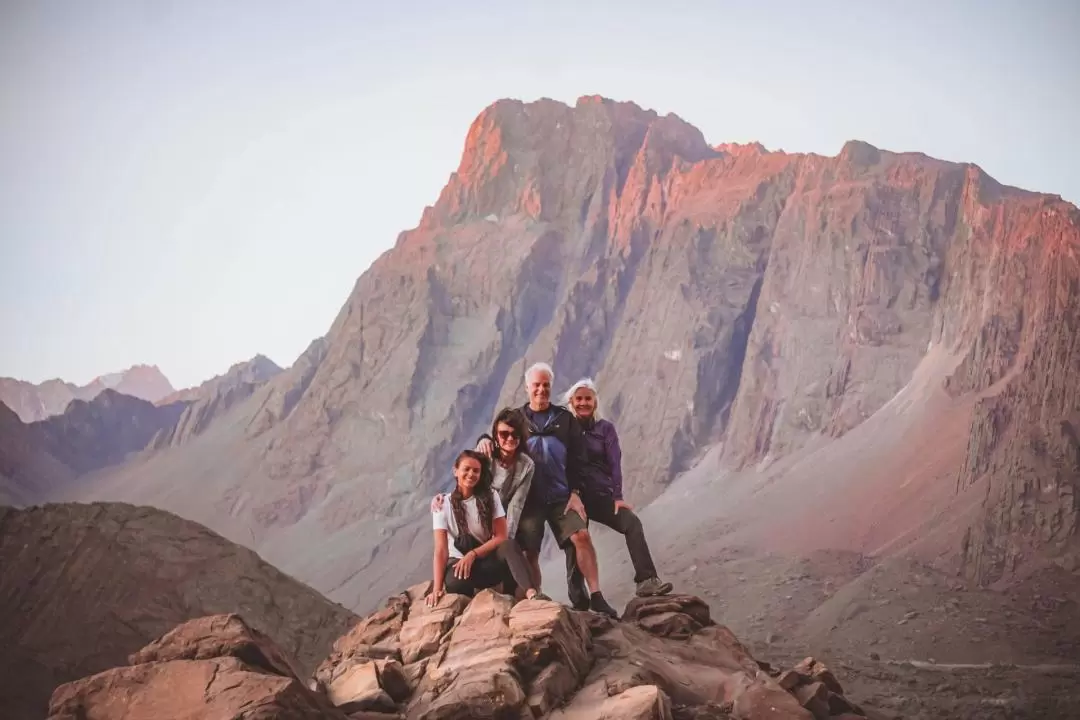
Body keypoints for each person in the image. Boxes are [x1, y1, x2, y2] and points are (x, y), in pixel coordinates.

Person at [477, 362, 619, 618]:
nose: (541, 390)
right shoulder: (517, 418)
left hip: (561, 497)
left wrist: (576, 492)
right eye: (536, 385)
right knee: (530, 552)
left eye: (546, 385)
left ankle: (596, 596)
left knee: (581, 538)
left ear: (550, 387)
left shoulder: (564, 419)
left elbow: (578, 458)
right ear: (527, 387)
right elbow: (498, 438)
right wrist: (482, 440)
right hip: (529, 501)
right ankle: (536, 602)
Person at [560, 378, 674, 605]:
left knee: (631, 523)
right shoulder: (563, 430)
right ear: (571, 401)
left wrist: (618, 496)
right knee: (577, 539)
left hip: (600, 495)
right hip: (573, 498)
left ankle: (647, 580)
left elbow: (615, 463)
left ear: (595, 401)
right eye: (579, 398)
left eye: (588, 398)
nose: (583, 403)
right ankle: (579, 598)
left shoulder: (605, 429)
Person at [430, 408, 545, 597]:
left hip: (495, 522)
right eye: (503, 434)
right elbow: (467, 473)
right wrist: (436, 589)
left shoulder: (525, 467)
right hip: (467, 542)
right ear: (495, 436)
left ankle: (530, 593)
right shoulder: (484, 456)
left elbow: (516, 505)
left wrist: (503, 544)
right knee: (456, 579)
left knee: (514, 547)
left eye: (515, 434)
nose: (509, 438)